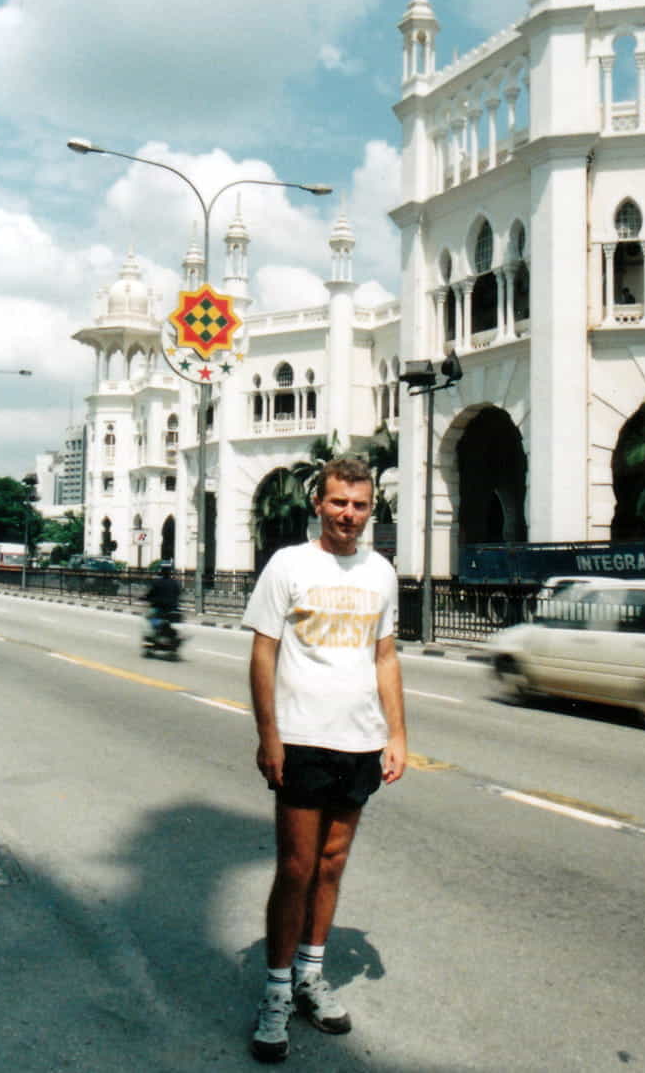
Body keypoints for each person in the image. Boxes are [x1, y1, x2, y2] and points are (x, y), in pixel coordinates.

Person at [241, 456, 406, 1064]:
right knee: (296, 868)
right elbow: (263, 655)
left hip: (360, 740)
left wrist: (398, 735)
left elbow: (385, 657)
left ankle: (311, 976)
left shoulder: (381, 571)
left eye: (360, 505)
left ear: (369, 509)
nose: (349, 514)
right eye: (339, 502)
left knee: (332, 866)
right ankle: (276, 992)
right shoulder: (289, 565)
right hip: (303, 738)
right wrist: (269, 735)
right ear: (320, 503)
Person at [143, 563, 181, 645]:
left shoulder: (157, 582)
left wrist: (145, 598)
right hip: (172, 609)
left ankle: (151, 637)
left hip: (159, 609)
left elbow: (149, 594)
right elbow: (178, 594)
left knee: (149, 617)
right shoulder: (175, 583)